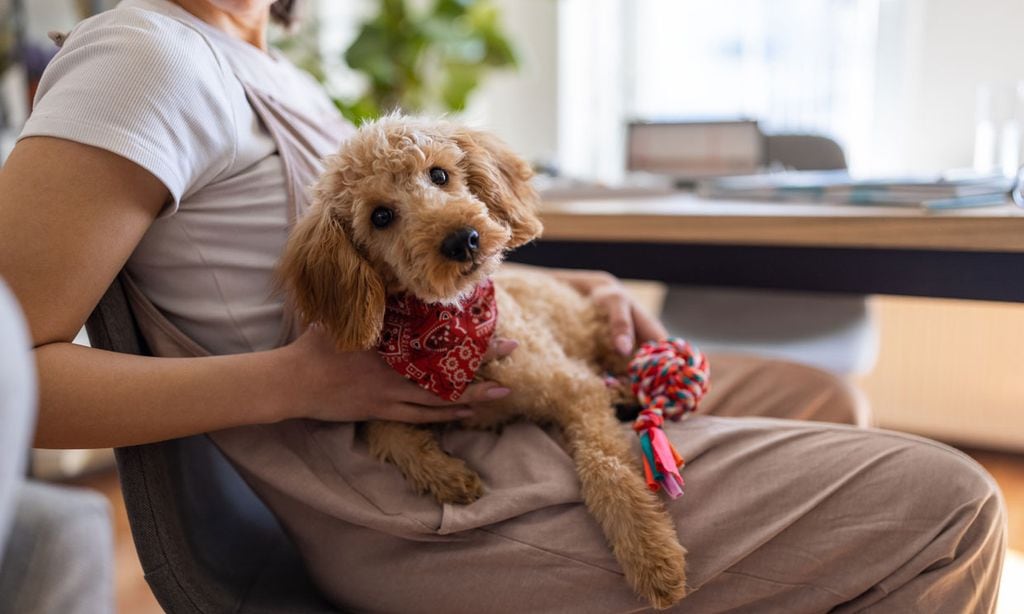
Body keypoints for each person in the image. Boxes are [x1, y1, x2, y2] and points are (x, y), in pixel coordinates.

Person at [0, 0, 1006, 611]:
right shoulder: (140, 59)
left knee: (817, 391)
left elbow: (430, 265)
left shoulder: (270, 70)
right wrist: (292, 380)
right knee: (952, 508)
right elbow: (12, 376)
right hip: (407, 486)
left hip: (493, 374)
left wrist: (579, 288)